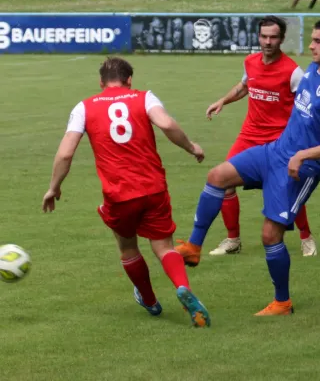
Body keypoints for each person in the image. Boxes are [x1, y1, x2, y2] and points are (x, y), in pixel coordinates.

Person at [176, 18, 320, 316]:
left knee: (270, 236)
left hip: (302, 167)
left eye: (318, 41)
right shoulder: (312, 70)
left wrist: (303, 155)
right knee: (217, 176)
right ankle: (194, 248)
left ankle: (282, 302)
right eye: (311, 40)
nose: (310, 45)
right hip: (274, 151)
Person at [41, 57, 211, 327]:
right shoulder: (144, 97)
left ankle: (150, 300)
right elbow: (166, 124)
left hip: (119, 194)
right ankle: (182, 286)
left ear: (100, 82)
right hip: (154, 188)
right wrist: (191, 147)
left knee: (128, 247)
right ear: (130, 80)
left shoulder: (84, 107)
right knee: (164, 246)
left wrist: (54, 187)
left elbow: (65, 153)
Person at [204, 15, 318, 257]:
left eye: (273, 37)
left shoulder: (293, 72)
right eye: (264, 36)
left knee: (289, 190)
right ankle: (232, 239)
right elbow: (245, 86)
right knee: (224, 183)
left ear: (281, 39)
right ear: (258, 37)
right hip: (249, 136)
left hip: (279, 141)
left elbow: (308, 105)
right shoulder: (250, 62)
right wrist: (222, 100)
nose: (268, 41)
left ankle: (306, 237)